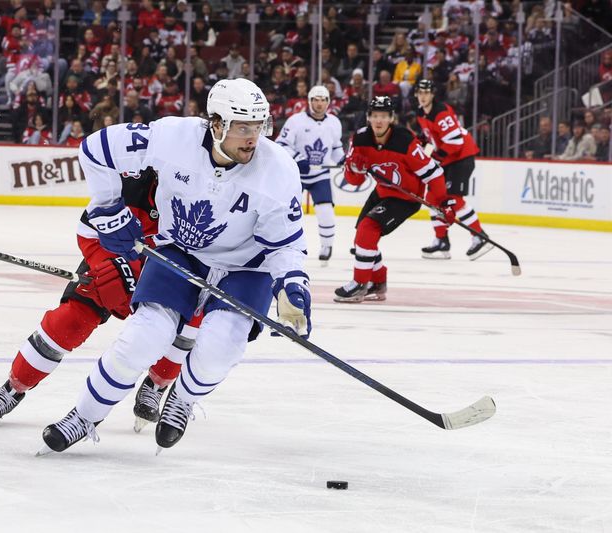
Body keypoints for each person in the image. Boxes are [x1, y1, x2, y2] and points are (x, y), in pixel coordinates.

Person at [38, 78, 311, 454]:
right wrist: (106, 207)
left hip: (246, 267)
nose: (253, 138)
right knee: (142, 337)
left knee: (221, 346)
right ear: (216, 124)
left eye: (259, 127)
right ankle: (85, 416)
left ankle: (181, 399)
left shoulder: (277, 169)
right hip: (179, 250)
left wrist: (292, 287)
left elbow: (286, 245)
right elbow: (95, 149)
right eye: (243, 127)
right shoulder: (172, 137)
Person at [0, 150, 201, 428]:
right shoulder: (129, 183)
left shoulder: (202, 197)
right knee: (70, 319)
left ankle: (156, 385)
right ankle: (14, 387)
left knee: (190, 324)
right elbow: (91, 228)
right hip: (115, 259)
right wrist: (107, 268)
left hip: (171, 275)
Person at [334, 96, 450, 303]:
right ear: (369, 117)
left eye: (384, 116)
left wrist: (443, 202)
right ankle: (378, 283)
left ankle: (360, 284)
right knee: (362, 239)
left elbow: (434, 173)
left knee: (367, 230)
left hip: (406, 197)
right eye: (375, 116)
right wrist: (354, 169)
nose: (379, 121)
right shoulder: (359, 139)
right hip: (383, 192)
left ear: (391, 118)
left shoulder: (405, 141)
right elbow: (353, 180)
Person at [414, 79, 493, 260]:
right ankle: (442, 241)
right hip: (448, 160)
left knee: (453, 199)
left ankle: (480, 237)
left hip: (461, 158)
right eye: (420, 92)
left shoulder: (440, 112)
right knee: (432, 198)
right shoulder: (421, 113)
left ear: (433, 94)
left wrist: (435, 159)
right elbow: (430, 137)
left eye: (426, 92)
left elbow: (456, 141)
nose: (423, 96)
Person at [277, 85, 344, 263]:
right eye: (315, 99)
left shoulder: (334, 122)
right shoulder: (295, 121)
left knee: (325, 211)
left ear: (328, 102)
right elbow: (281, 144)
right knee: (290, 213)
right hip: (295, 176)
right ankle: (288, 245)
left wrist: (344, 161)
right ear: (309, 101)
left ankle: (327, 246)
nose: (319, 103)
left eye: (323, 100)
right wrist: (298, 160)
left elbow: (336, 148)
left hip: (320, 175)